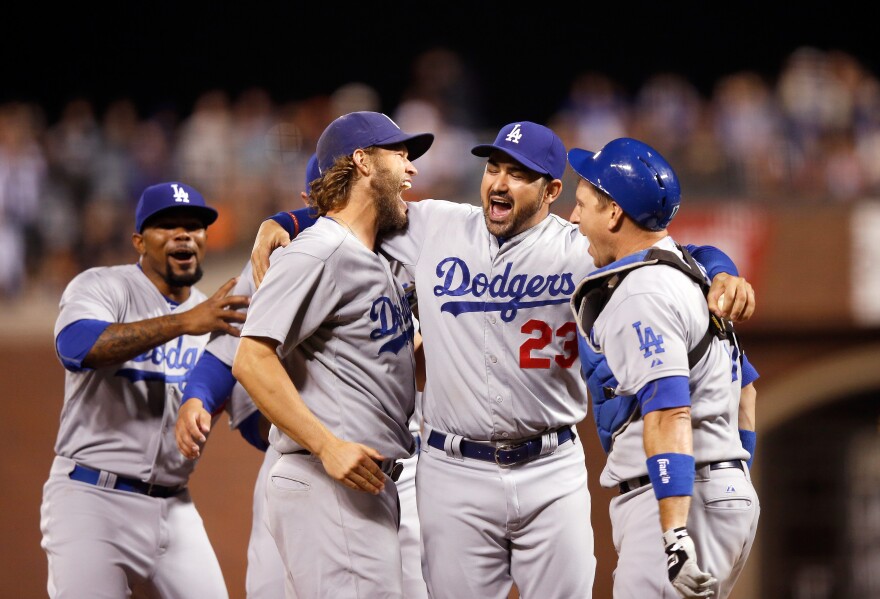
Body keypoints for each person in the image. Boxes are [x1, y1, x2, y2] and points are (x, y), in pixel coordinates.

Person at [250, 120, 757, 598]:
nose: (500, 181)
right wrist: (282, 221)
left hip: (551, 466)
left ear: (552, 192)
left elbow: (665, 250)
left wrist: (722, 269)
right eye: (494, 167)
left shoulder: (580, 247)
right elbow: (359, 209)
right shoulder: (434, 226)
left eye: (518, 174)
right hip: (453, 470)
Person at [175, 152, 429, 598]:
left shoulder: (398, 248)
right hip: (311, 455)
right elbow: (237, 353)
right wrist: (198, 399)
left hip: (396, 461)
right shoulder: (289, 258)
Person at [567, 137, 760, 598]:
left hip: (678, 501)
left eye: (582, 205)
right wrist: (733, 480)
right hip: (714, 490)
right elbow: (747, 393)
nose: (574, 218)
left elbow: (668, 411)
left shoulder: (643, 292)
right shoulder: (690, 272)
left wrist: (675, 533)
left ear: (614, 213)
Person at [40, 181, 250, 598]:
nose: (183, 234)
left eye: (194, 226)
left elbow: (248, 415)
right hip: (90, 501)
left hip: (175, 508)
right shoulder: (103, 286)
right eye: (166, 226)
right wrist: (184, 324)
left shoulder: (213, 316)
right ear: (139, 241)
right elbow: (76, 346)